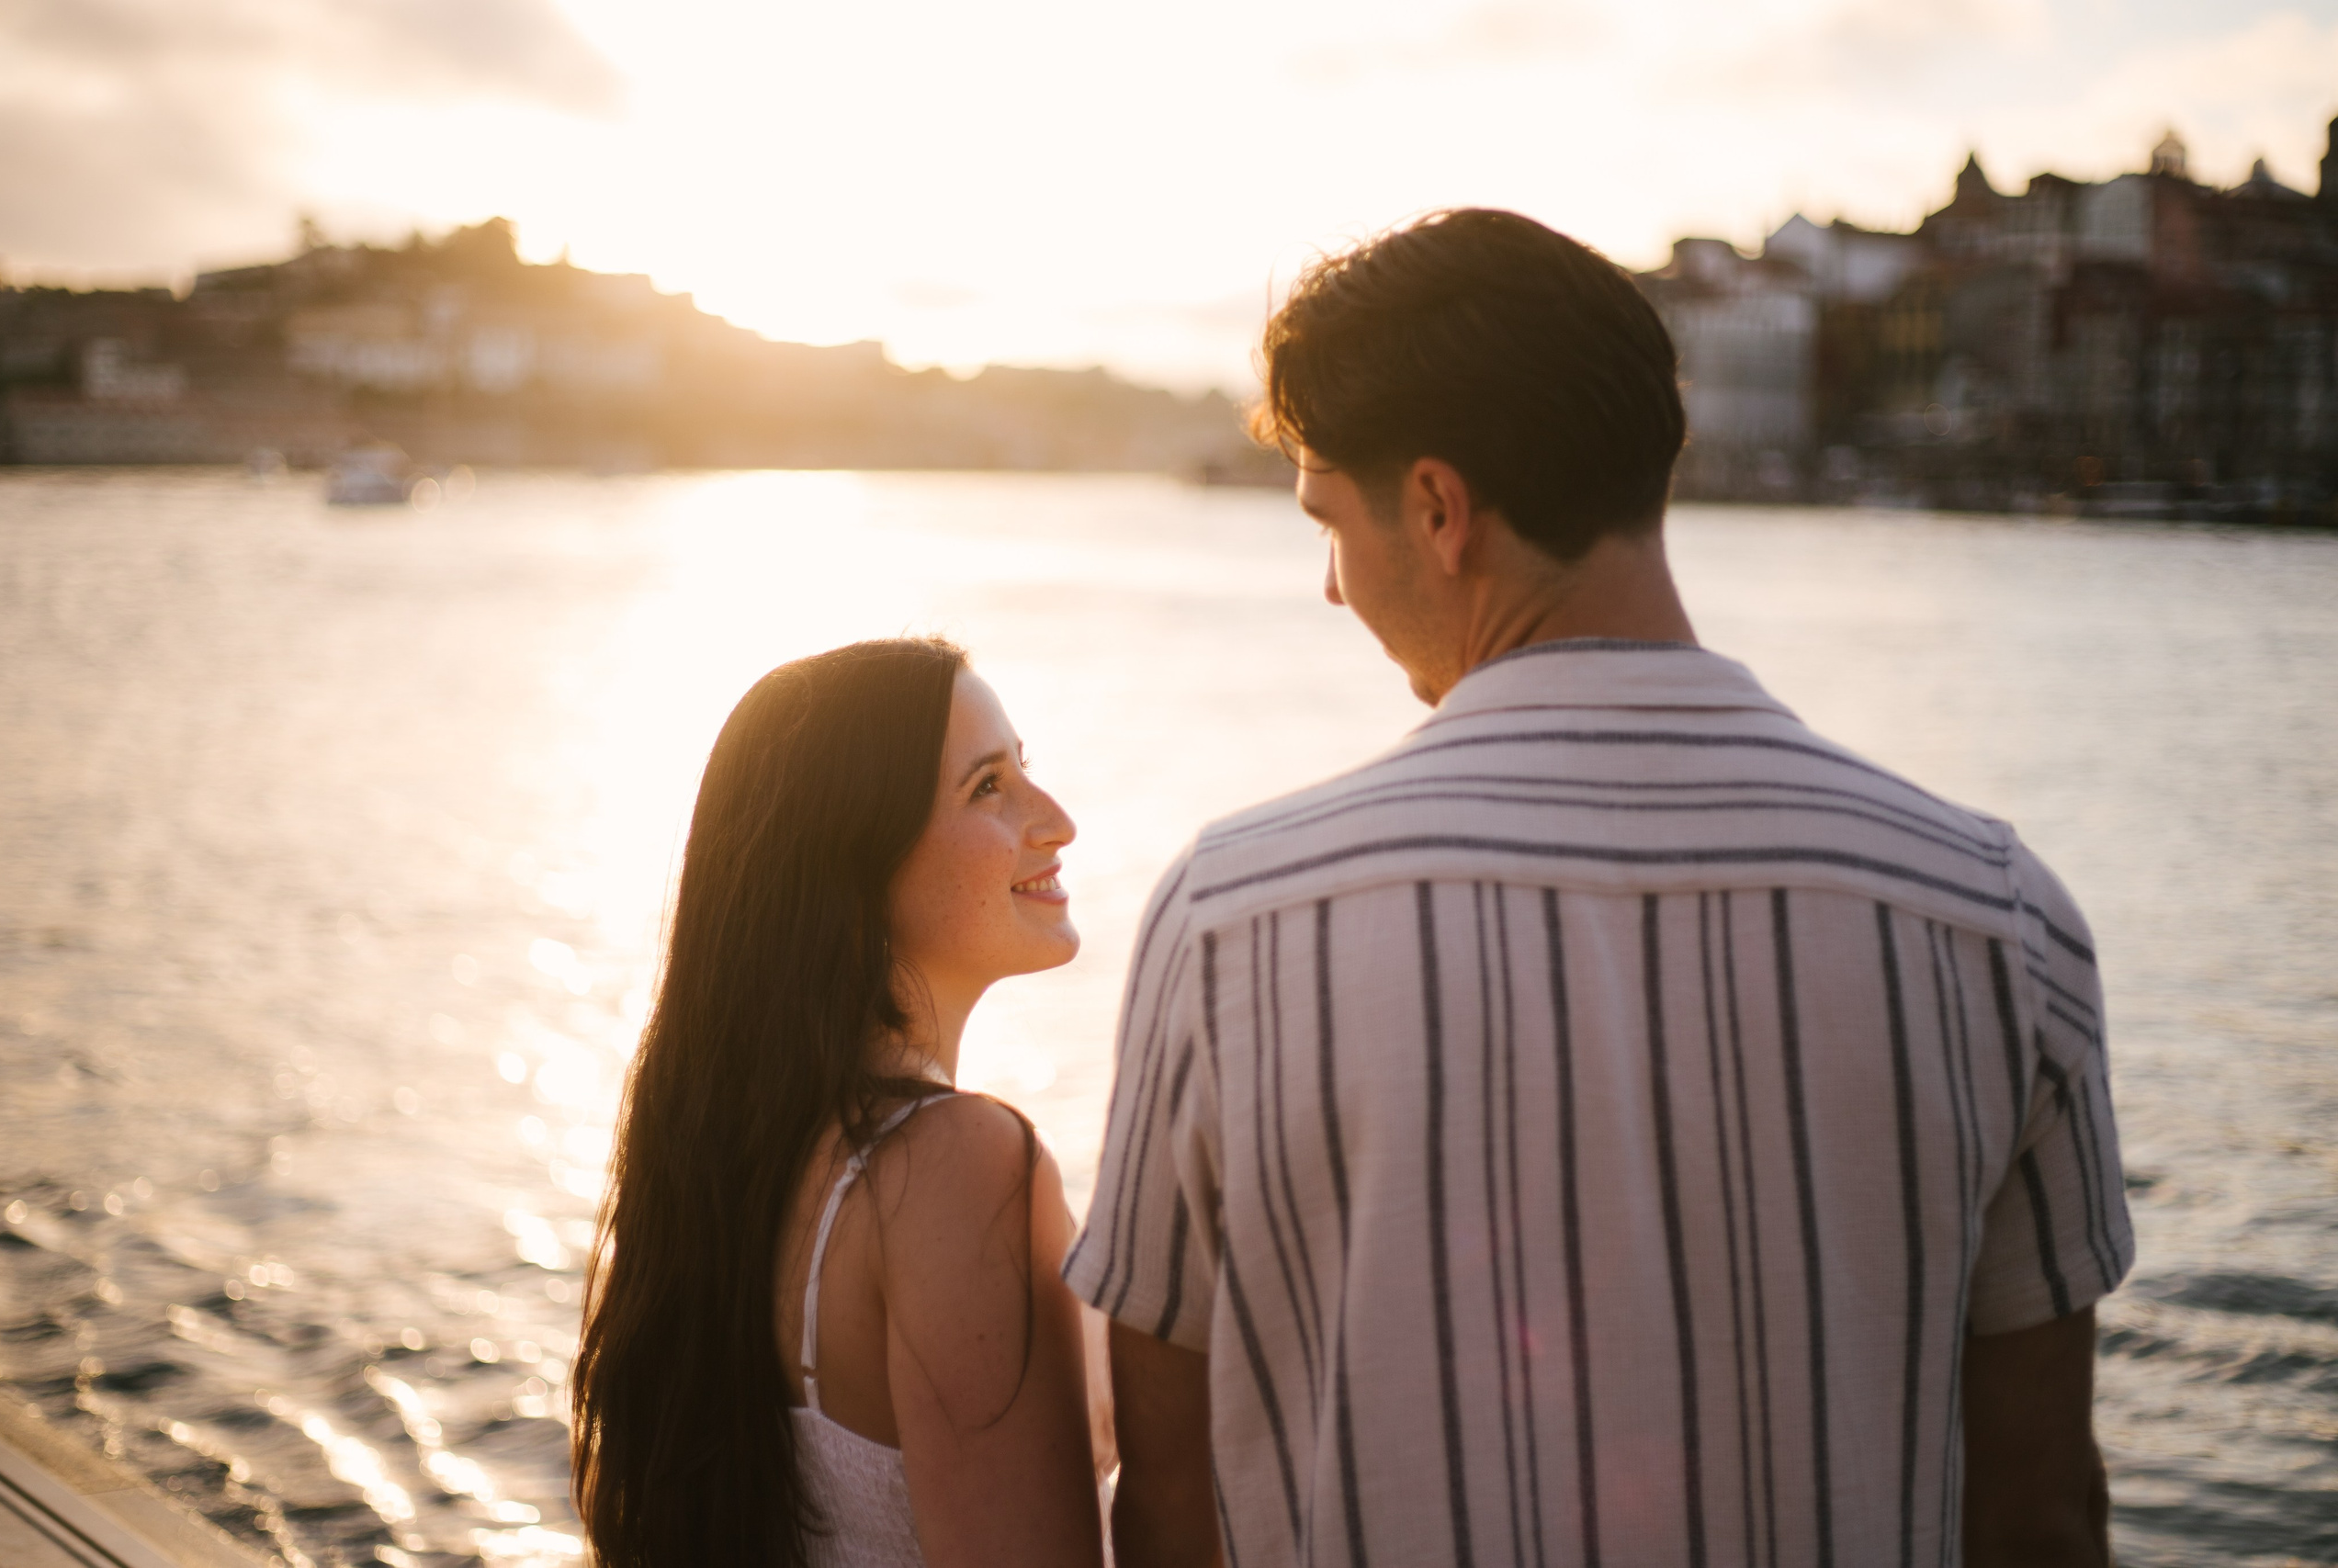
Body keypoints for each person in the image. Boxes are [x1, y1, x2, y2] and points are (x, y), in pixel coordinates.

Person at [1067, 210, 2131, 1568]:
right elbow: (2039, 1517)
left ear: (1440, 511)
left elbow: (1168, 1504)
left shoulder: (1236, 922)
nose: (1331, 589)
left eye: (1327, 522)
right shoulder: (1996, 920)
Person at [571, 638, 1106, 1568]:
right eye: (988, 787)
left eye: (1024, 770)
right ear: (855, 868)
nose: (1056, 821)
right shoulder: (958, 1166)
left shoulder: (731, 1167)